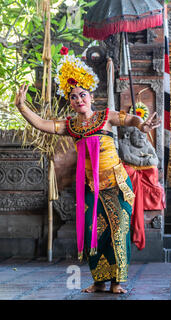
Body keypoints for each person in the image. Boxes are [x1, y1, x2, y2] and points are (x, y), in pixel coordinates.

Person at [14, 54, 161, 294]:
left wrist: (142, 125)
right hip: (91, 188)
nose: (79, 99)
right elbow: (42, 124)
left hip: (116, 184)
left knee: (118, 230)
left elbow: (131, 119)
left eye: (83, 94)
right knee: (93, 232)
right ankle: (99, 281)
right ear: (70, 102)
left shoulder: (106, 117)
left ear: (91, 97)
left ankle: (116, 282)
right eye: (73, 97)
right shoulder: (71, 126)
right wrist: (22, 107)